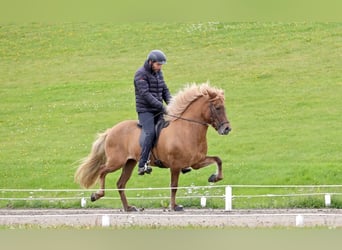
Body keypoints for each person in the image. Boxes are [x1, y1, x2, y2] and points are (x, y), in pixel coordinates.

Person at [134, 50, 191, 175]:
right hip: (145, 111)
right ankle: (142, 163)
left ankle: (181, 161)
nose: (160, 67)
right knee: (150, 133)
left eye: (161, 65)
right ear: (150, 62)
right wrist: (162, 107)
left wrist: (172, 105)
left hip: (158, 109)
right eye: (158, 64)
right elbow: (146, 95)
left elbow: (164, 89)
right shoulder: (140, 75)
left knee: (174, 128)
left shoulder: (158, 73)